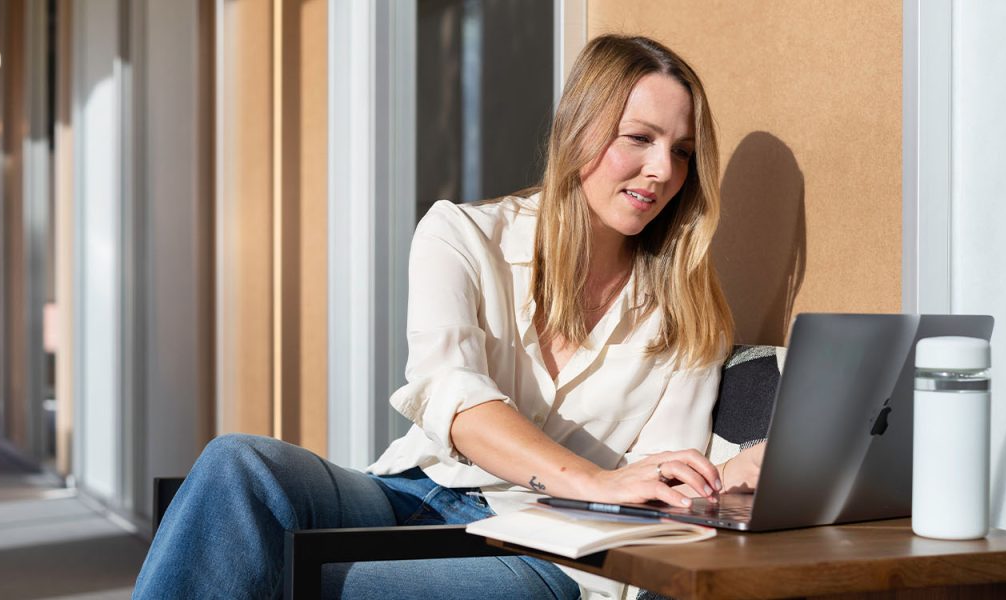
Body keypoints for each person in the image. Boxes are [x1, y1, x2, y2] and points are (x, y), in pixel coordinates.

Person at [133, 34, 763, 599]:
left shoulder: (687, 310)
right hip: (414, 491)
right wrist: (595, 478)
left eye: (681, 152)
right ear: (581, 132)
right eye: (640, 139)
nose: (663, 171)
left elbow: (660, 479)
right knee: (237, 464)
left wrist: (733, 473)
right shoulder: (462, 235)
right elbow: (453, 396)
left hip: (544, 550)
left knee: (311, 582)